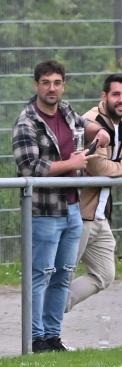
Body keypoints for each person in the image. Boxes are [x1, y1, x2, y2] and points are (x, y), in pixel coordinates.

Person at [11, 60, 110, 353]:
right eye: (46, 83)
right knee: (40, 273)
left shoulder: (66, 112)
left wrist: (97, 131)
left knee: (63, 273)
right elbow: (29, 167)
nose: (51, 88)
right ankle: (36, 337)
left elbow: (82, 122)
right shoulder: (27, 121)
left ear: (63, 85)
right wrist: (72, 164)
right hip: (44, 211)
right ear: (36, 85)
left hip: (72, 208)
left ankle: (53, 337)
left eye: (57, 82)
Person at [66, 74, 122, 312]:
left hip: (100, 215)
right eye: (116, 94)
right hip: (80, 213)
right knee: (63, 276)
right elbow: (97, 166)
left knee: (104, 274)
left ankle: (52, 312)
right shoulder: (92, 122)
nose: (121, 100)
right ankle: (44, 332)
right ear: (104, 96)